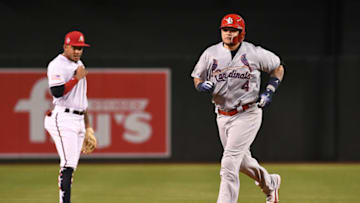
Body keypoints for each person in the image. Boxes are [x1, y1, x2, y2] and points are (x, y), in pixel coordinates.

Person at [191, 14, 285, 203]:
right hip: (222, 114)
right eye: (226, 30)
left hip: (247, 113)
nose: (229, 34)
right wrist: (200, 85)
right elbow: (197, 77)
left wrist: (270, 90)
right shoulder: (211, 53)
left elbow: (278, 67)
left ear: (242, 33)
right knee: (241, 161)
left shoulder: (254, 52)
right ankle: (270, 184)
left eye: (234, 30)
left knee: (229, 163)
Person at [44, 30, 95, 203]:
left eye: (81, 48)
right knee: (67, 166)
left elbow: (82, 101)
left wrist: (88, 128)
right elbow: (57, 92)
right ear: (65, 46)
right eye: (74, 47)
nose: (78, 51)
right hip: (63, 118)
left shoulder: (79, 64)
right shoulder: (57, 64)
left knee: (70, 166)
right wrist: (75, 78)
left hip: (78, 119)